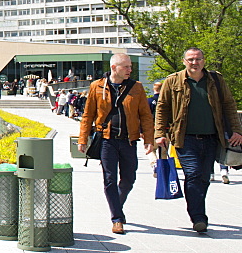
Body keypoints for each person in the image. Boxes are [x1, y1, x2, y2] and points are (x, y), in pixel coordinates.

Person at [155, 48, 242, 232]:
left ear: (204, 60)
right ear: (184, 61)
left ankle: (196, 210)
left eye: (198, 59)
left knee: (204, 177)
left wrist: (236, 130)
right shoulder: (173, 81)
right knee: (193, 174)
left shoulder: (215, 80)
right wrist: (159, 133)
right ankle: (198, 217)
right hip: (184, 138)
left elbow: (229, 104)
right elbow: (162, 108)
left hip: (212, 138)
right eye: (191, 59)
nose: (195, 63)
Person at [78, 54, 154, 235]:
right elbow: (88, 115)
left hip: (129, 141)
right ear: (114, 68)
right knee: (109, 179)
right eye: (126, 67)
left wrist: (149, 140)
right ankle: (117, 218)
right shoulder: (97, 86)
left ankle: (117, 206)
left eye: (130, 67)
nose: (130, 70)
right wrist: (82, 139)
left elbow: (145, 115)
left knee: (129, 179)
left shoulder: (136, 88)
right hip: (106, 140)